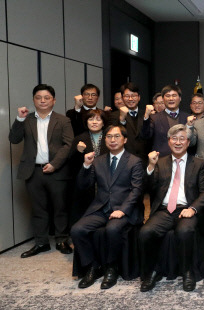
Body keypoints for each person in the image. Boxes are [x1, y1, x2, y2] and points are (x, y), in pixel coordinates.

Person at [139, 124, 204, 292]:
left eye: (182, 139)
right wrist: (150, 167)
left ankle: (187, 272)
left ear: (188, 142)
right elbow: (148, 188)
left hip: (186, 209)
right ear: (169, 142)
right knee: (145, 232)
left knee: (185, 232)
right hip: (164, 210)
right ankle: (150, 273)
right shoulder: (160, 162)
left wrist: (192, 209)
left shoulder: (198, 163)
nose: (178, 142)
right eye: (174, 139)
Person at [71, 125, 144, 289]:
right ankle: (92, 267)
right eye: (109, 136)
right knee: (77, 230)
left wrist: (122, 210)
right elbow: (83, 186)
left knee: (112, 229)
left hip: (124, 210)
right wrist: (86, 166)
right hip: (101, 209)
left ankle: (111, 268)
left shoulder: (134, 161)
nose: (112, 140)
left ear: (124, 140)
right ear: (105, 140)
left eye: (116, 136)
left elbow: (136, 191)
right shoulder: (97, 161)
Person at [9, 84, 74, 258]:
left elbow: (69, 144)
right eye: (38, 97)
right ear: (33, 100)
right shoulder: (27, 119)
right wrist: (19, 119)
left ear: (53, 100)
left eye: (46, 97)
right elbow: (14, 139)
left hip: (56, 170)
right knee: (38, 209)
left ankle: (61, 240)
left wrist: (55, 164)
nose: (42, 101)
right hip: (33, 171)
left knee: (60, 208)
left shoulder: (63, 120)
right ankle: (41, 243)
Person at [69, 109, 109, 224]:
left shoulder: (110, 136)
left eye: (98, 119)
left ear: (103, 122)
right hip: (86, 181)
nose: (94, 122)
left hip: (106, 180)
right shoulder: (79, 138)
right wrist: (78, 151)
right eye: (91, 119)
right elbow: (71, 163)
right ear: (86, 122)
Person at [141, 84, 190, 156]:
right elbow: (145, 136)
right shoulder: (154, 118)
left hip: (184, 161)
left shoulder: (187, 118)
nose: (171, 99)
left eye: (174, 95)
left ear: (180, 98)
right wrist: (146, 117)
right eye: (167, 96)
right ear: (163, 99)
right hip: (161, 161)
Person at [115, 82, 148, 160]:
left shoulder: (147, 114)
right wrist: (122, 119)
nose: (130, 99)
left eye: (133, 96)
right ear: (123, 98)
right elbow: (115, 135)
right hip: (123, 159)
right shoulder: (115, 115)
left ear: (139, 97)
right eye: (127, 96)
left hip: (144, 159)